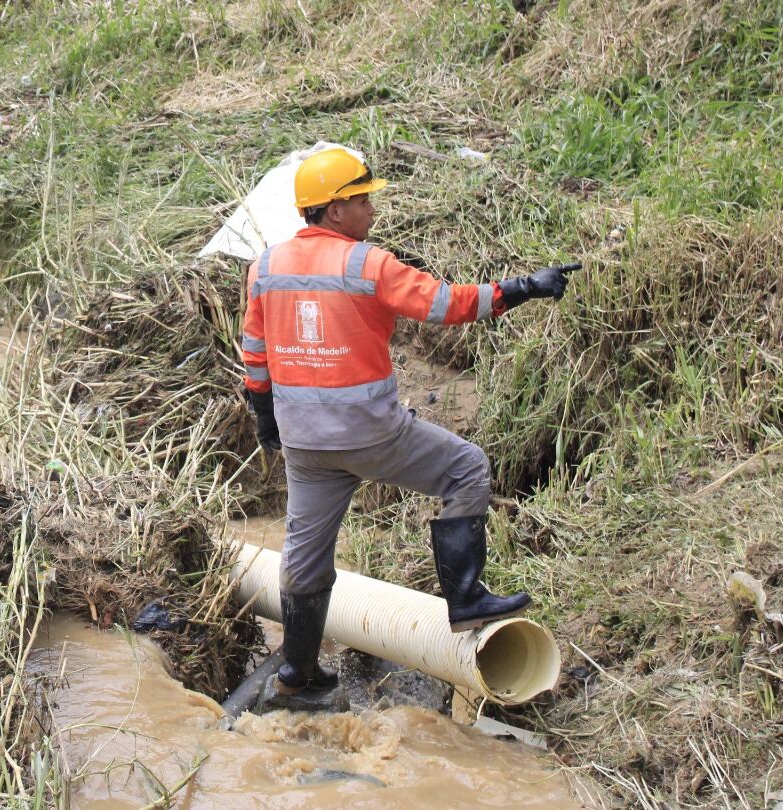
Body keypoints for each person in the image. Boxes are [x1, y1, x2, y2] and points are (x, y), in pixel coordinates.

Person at [239, 146, 579, 697]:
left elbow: (255, 352)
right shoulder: (368, 264)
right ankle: (465, 601)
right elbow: (447, 305)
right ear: (333, 210)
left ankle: (297, 671)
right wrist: (524, 287)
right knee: (467, 469)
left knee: (303, 557)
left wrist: (264, 416)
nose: (371, 209)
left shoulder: (265, 266)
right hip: (372, 434)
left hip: (304, 442)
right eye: (362, 199)